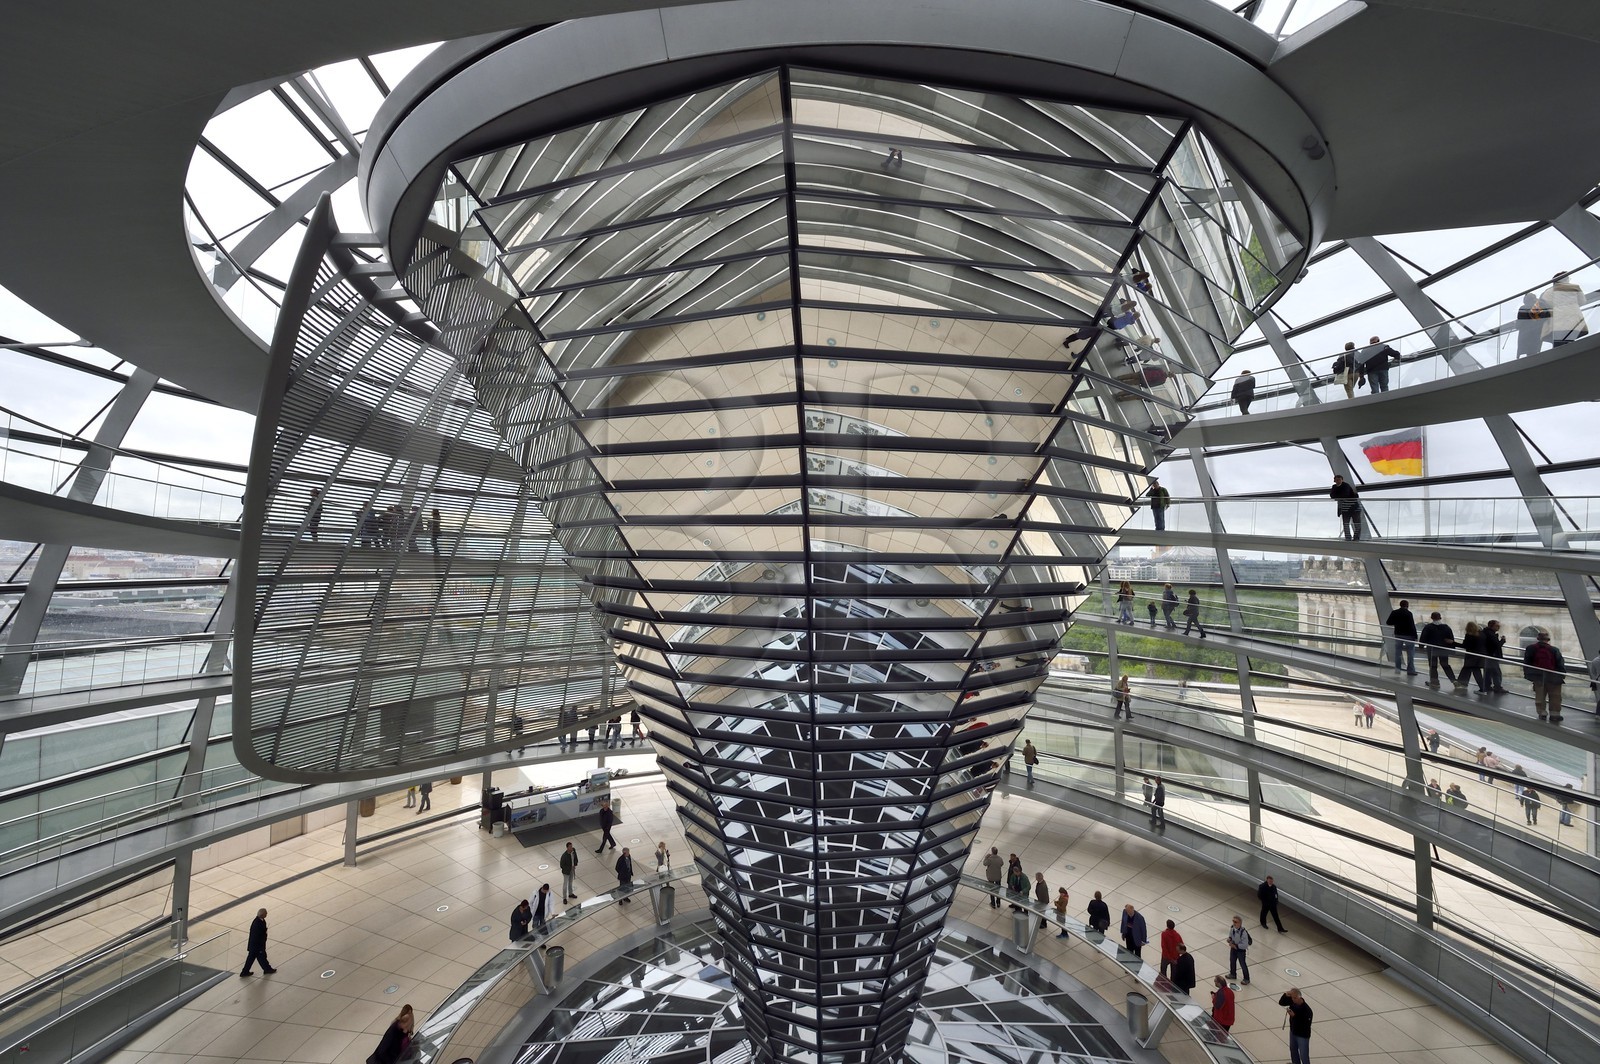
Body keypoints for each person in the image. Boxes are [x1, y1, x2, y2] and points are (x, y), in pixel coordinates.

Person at [1523, 629, 1566, 722]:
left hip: (1538, 676)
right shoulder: (1554, 649)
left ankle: (1542, 713)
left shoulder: (1530, 648)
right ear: (1548, 639)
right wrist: (1561, 676)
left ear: (1538, 638)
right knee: (1555, 696)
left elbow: (1527, 662)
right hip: (1553, 677)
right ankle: (1555, 714)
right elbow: (1560, 664)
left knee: (1540, 695)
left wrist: (1529, 675)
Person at [1539, 271, 1589, 347]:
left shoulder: (1548, 292)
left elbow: (1547, 303)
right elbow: (1582, 301)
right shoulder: (1575, 287)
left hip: (1558, 319)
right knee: (1572, 340)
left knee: (1559, 342)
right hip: (1574, 317)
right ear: (1566, 279)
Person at [1418, 612, 1461, 690]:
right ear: (1440, 618)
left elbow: (1423, 638)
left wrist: (1421, 646)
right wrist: (1452, 650)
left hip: (1432, 649)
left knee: (1433, 666)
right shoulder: (1446, 627)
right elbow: (1451, 639)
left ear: (1432, 618)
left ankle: (1435, 682)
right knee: (1445, 665)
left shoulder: (1428, 627)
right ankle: (1454, 681)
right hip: (1443, 650)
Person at [1279, 988, 1314, 1064]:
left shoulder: (1307, 1010)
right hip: (1293, 1031)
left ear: (1300, 997)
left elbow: (1306, 1025)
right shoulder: (1293, 1002)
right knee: (1293, 1050)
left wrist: (1294, 1016)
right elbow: (1281, 1002)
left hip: (1302, 1035)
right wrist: (1286, 994)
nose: (1293, 1000)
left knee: (1304, 1055)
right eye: (1292, 997)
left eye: (1295, 998)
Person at [241, 907, 276, 976]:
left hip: (254, 946)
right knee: (261, 957)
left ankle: (245, 972)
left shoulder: (260, 921)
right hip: (257, 946)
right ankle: (267, 969)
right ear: (263, 914)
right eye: (266, 913)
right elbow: (257, 936)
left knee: (252, 959)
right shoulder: (257, 923)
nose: (266, 914)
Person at [1386, 599, 1417, 675]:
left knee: (1398, 653)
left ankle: (1397, 669)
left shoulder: (1394, 612)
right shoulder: (1409, 613)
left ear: (1400, 605)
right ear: (1407, 605)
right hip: (1409, 635)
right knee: (1410, 653)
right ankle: (1410, 670)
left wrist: (1397, 623)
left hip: (1398, 634)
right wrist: (1415, 636)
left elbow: (1388, 622)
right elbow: (1412, 625)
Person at [1329, 474, 1361, 540]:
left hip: (1354, 508)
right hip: (1345, 508)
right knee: (1346, 524)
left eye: (1339, 479)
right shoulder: (1334, 487)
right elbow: (1332, 495)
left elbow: (1344, 495)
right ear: (1334, 480)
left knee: (1356, 523)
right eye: (1336, 480)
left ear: (1342, 480)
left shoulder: (1346, 485)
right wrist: (1339, 496)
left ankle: (1356, 538)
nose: (1338, 481)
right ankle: (1348, 538)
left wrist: (1337, 496)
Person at [1459, 621, 1488, 693]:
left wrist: (1453, 643)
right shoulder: (1482, 634)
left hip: (1472, 657)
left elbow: (1464, 646)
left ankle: (1482, 688)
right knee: (1472, 670)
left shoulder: (1469, 635)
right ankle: (1462, 683)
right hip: (1481, 656)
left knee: (1474, 671)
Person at [1483, 619, 1507, 693]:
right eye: (1497, 626)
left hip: (1488, 655)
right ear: (1492, 626)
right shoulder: (1491, 634)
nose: (1498, 627)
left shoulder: (1486, 632)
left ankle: (1487, 686)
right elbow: (1497, 645)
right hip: (1492, 656)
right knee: (1496, 672)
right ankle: (1497, 687)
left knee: (1488, 672)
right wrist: (1503, 640)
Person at [1226, 915, 1251, 984]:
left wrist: (1236, 946)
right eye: (1233, 921)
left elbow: (1245, 945)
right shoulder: (1232, 928)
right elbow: (1230, 936)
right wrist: (1229, 939)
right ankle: (1233, 974)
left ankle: (1246, 978)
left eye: (1235, 922)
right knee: (1232, 961)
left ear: (1240, 923)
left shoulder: (1243, 932)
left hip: (1240, 951)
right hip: (1233, 949)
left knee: (1242, 964)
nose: (1234, 923)